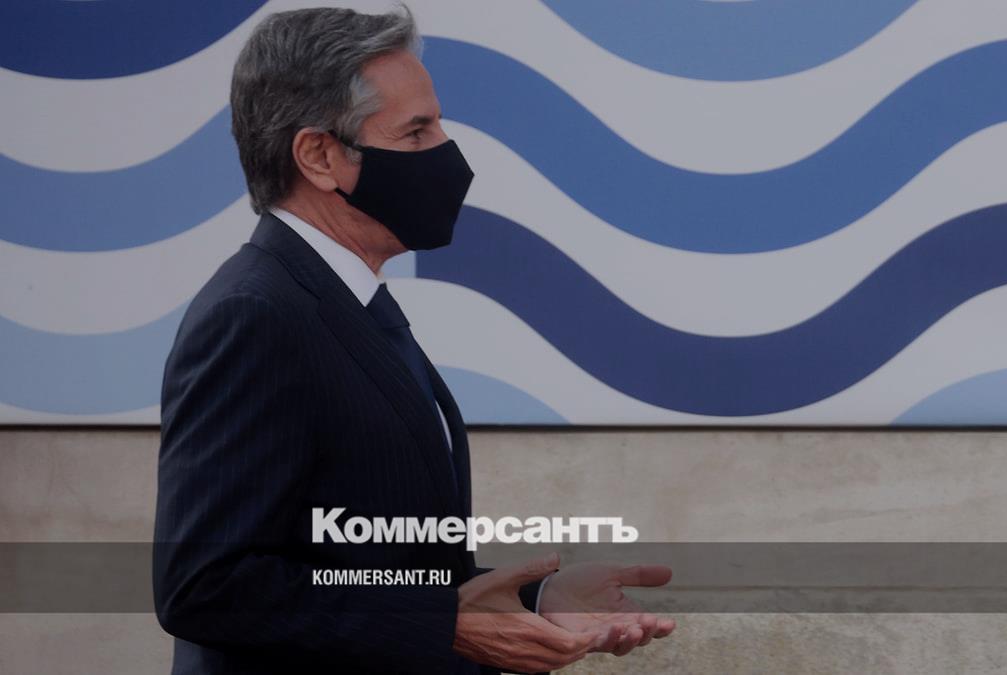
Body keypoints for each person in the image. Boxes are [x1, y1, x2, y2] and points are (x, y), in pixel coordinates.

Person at [152, 6, 674, 674]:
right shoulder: (255, 314)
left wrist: (535, 598)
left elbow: (376, 565)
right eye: (417, 131)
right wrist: (446, 629)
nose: (446, 153)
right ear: (319, 156)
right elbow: (207, 585)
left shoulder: (345, 299)